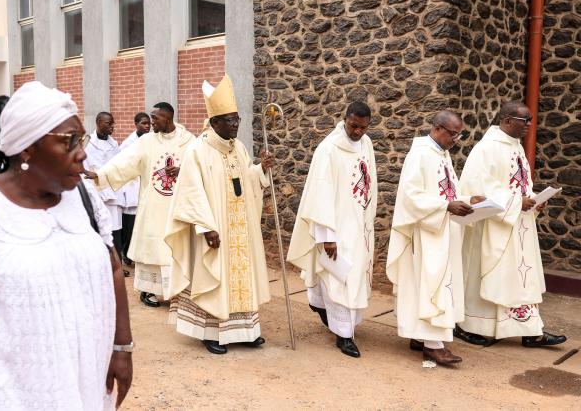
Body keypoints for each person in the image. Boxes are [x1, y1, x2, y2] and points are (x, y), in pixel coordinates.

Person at [0, 81, 132, 410]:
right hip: (3, 393)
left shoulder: (85, 198)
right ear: (26, 149)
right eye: (69, 142)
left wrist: (122, 346)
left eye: (81, 139)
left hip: (82, 381)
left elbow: (113, 266)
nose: (83, 153)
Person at [164, 74, 273, 355]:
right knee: (214, 275)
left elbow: (246, 179)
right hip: (214, 228)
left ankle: (246, 330)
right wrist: (206, 227)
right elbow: (190, 191)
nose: (236, 123)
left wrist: (261, 169)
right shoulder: (197, 151)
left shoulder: (239, 147)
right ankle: (210, 331)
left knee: (240, 276)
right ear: (214, 122)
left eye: (237, 118)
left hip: (239, 227)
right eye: (230, 119)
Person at [455, 101, 566, 348]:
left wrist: (534, 200)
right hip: (494, 227)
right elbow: (477, 189)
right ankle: (473, 325)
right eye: (524, 120)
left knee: (522, 276)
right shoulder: (487, 148)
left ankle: (530, 330)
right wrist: (517, 201)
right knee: (495, 275)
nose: (529, 125)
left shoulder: (515, 147)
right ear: (506, 120)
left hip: (519, 226)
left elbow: (517, 185)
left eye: (530, 120)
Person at [386, 111, 485, 366]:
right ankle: (433, 345)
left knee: (433, 284)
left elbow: (448, 192)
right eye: (453, 134)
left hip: (443, 231)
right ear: (438, 128)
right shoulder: (420, 154)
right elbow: (411, 196)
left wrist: (467, 200)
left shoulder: (442, 154)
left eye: (458, 134)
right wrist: (446, 207)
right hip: (427, 233)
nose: (456, 139)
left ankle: (420, 337)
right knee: (431, 284)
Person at [287, 101, 378, 358]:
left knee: (353, 274)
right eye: (354, 126)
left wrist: (367, 216)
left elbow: (370, 180)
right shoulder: (328, 149)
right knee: (340, 277)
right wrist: (327, 235)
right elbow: (321, 193)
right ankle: (343, 335)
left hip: (358, 221)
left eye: (363, 127)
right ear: (345, 119)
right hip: (336, 224)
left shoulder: (367, 144)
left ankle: (322, 307)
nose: (358, 132)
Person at [86, 103, 194, 308]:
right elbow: (124, 162)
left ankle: (177, 292)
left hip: (177, 207)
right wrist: (100, 175)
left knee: (176, 248)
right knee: (152, 247)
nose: (151, 121)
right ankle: (149, 291)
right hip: (152, 206)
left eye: (155, 118)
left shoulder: (188, 141)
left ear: (168, 119)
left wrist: (182, 170)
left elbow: (199, 166)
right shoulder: (146, 142)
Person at [85, 111, 125, 254]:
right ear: (98, 123)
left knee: (115, 231)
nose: (112, 126)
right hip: (96, 192)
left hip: (113, 193)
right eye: (109, 123)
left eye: (113, 123)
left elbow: (118, 167)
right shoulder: (88, 142)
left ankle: (117, 264)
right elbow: (84, 168)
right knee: (99, 229)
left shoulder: (114, 144)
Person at [118, 112, 152, 266]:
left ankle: (139, 252)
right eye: (144, 123)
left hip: (147, 185)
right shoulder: (127, 143)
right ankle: (126, 252)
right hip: (132, 186)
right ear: (136, 124)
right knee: (130, 224)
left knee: (144, 222)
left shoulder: (152, 140)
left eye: (149, 124)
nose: (147, 126)